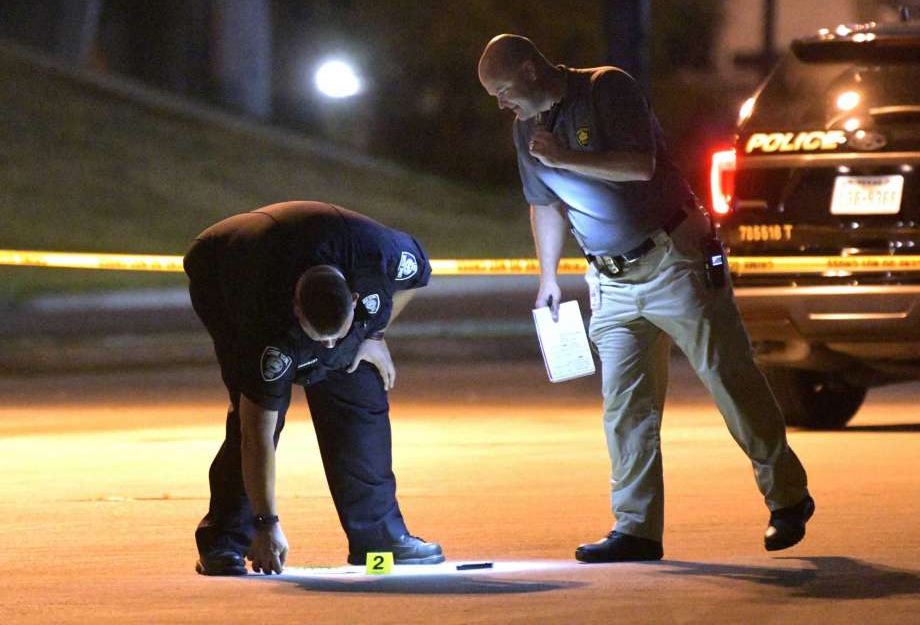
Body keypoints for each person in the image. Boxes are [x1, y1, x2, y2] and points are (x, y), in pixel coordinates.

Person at [478, 34, 814, 562]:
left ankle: (788, 497)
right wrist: (548, 279)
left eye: (503, 90)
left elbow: (640, 165)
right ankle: (636, 528)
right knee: (624, 407)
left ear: (529, 71)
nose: (502, 104)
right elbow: (543, 205)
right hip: (609, 282)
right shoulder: (526, 132)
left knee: (729, 377)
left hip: (674, 259)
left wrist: (565, 156)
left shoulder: (606, 87)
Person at [183, 201, 444, 575]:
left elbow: (418, 278)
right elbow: (257, 432)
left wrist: (373, 335)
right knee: (253, 407)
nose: (326, 347)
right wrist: (266, 524)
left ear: (355, 301)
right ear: (296, 310)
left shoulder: (384, 257)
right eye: (316, 338)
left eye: (335, 336)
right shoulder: (267, 324)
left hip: (334, 245)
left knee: (358, 390)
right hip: (222, 265)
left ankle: (378, 539)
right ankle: (225, 540)